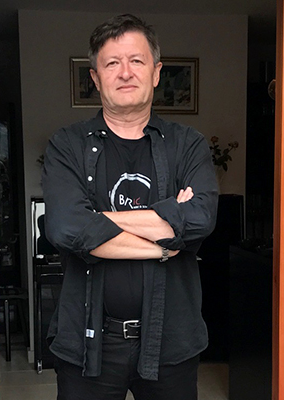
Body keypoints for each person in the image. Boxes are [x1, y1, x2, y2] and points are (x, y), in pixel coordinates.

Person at [42, 14, 218, 400]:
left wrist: (98, 221)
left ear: (156, 72)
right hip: (88, 344)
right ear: (95, 77)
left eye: (136, 61)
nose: (125, 72)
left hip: (171, 342)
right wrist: (165, 243)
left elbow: (199, 219)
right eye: (112, 63)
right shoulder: (67, 145)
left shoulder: (187, 144)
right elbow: (66, 227)